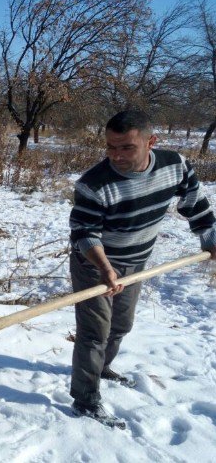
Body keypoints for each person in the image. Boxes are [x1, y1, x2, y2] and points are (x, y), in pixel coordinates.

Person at [68, 110, 216, 428]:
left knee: (121, 325)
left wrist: (210, 236)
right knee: (95, 333)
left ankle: (101, 368)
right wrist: (105, 267)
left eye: (127, 148)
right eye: (111, 147)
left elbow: (194, 202)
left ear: (151, 142)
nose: (117, 156)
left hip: (136, 262)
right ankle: (85, 398)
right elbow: (83, 233)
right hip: (94, 263)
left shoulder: (174, 165)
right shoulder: (94, 184)